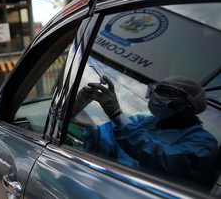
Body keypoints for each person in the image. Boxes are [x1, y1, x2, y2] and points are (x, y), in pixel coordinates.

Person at [72, 76, 218, 187]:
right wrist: (92, 131)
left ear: (187, 106)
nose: (156, 97)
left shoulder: (204, 143)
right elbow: (104, 155)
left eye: (166, 93)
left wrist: (117, 115)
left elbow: (162, 160)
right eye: (156, 91)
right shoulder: (141, 121)